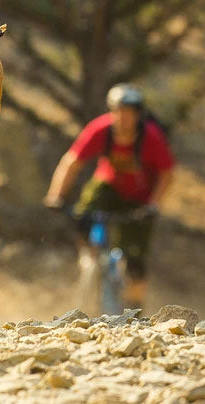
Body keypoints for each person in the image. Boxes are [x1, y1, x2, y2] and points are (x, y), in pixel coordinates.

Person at [44, 83, 175, 310]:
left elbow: (167, 173)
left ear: (138, 115)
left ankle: (136, 306)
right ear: (111, 112)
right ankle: (89, 256)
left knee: (135, 261)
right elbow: (71, 162)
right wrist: (56, 196)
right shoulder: (100, 130)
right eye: (119, 112)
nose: (123, 119)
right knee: (82, 213)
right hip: (109, 186)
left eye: (129, 114)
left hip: (140, 198)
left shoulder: (151, 138)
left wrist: (154, 205)